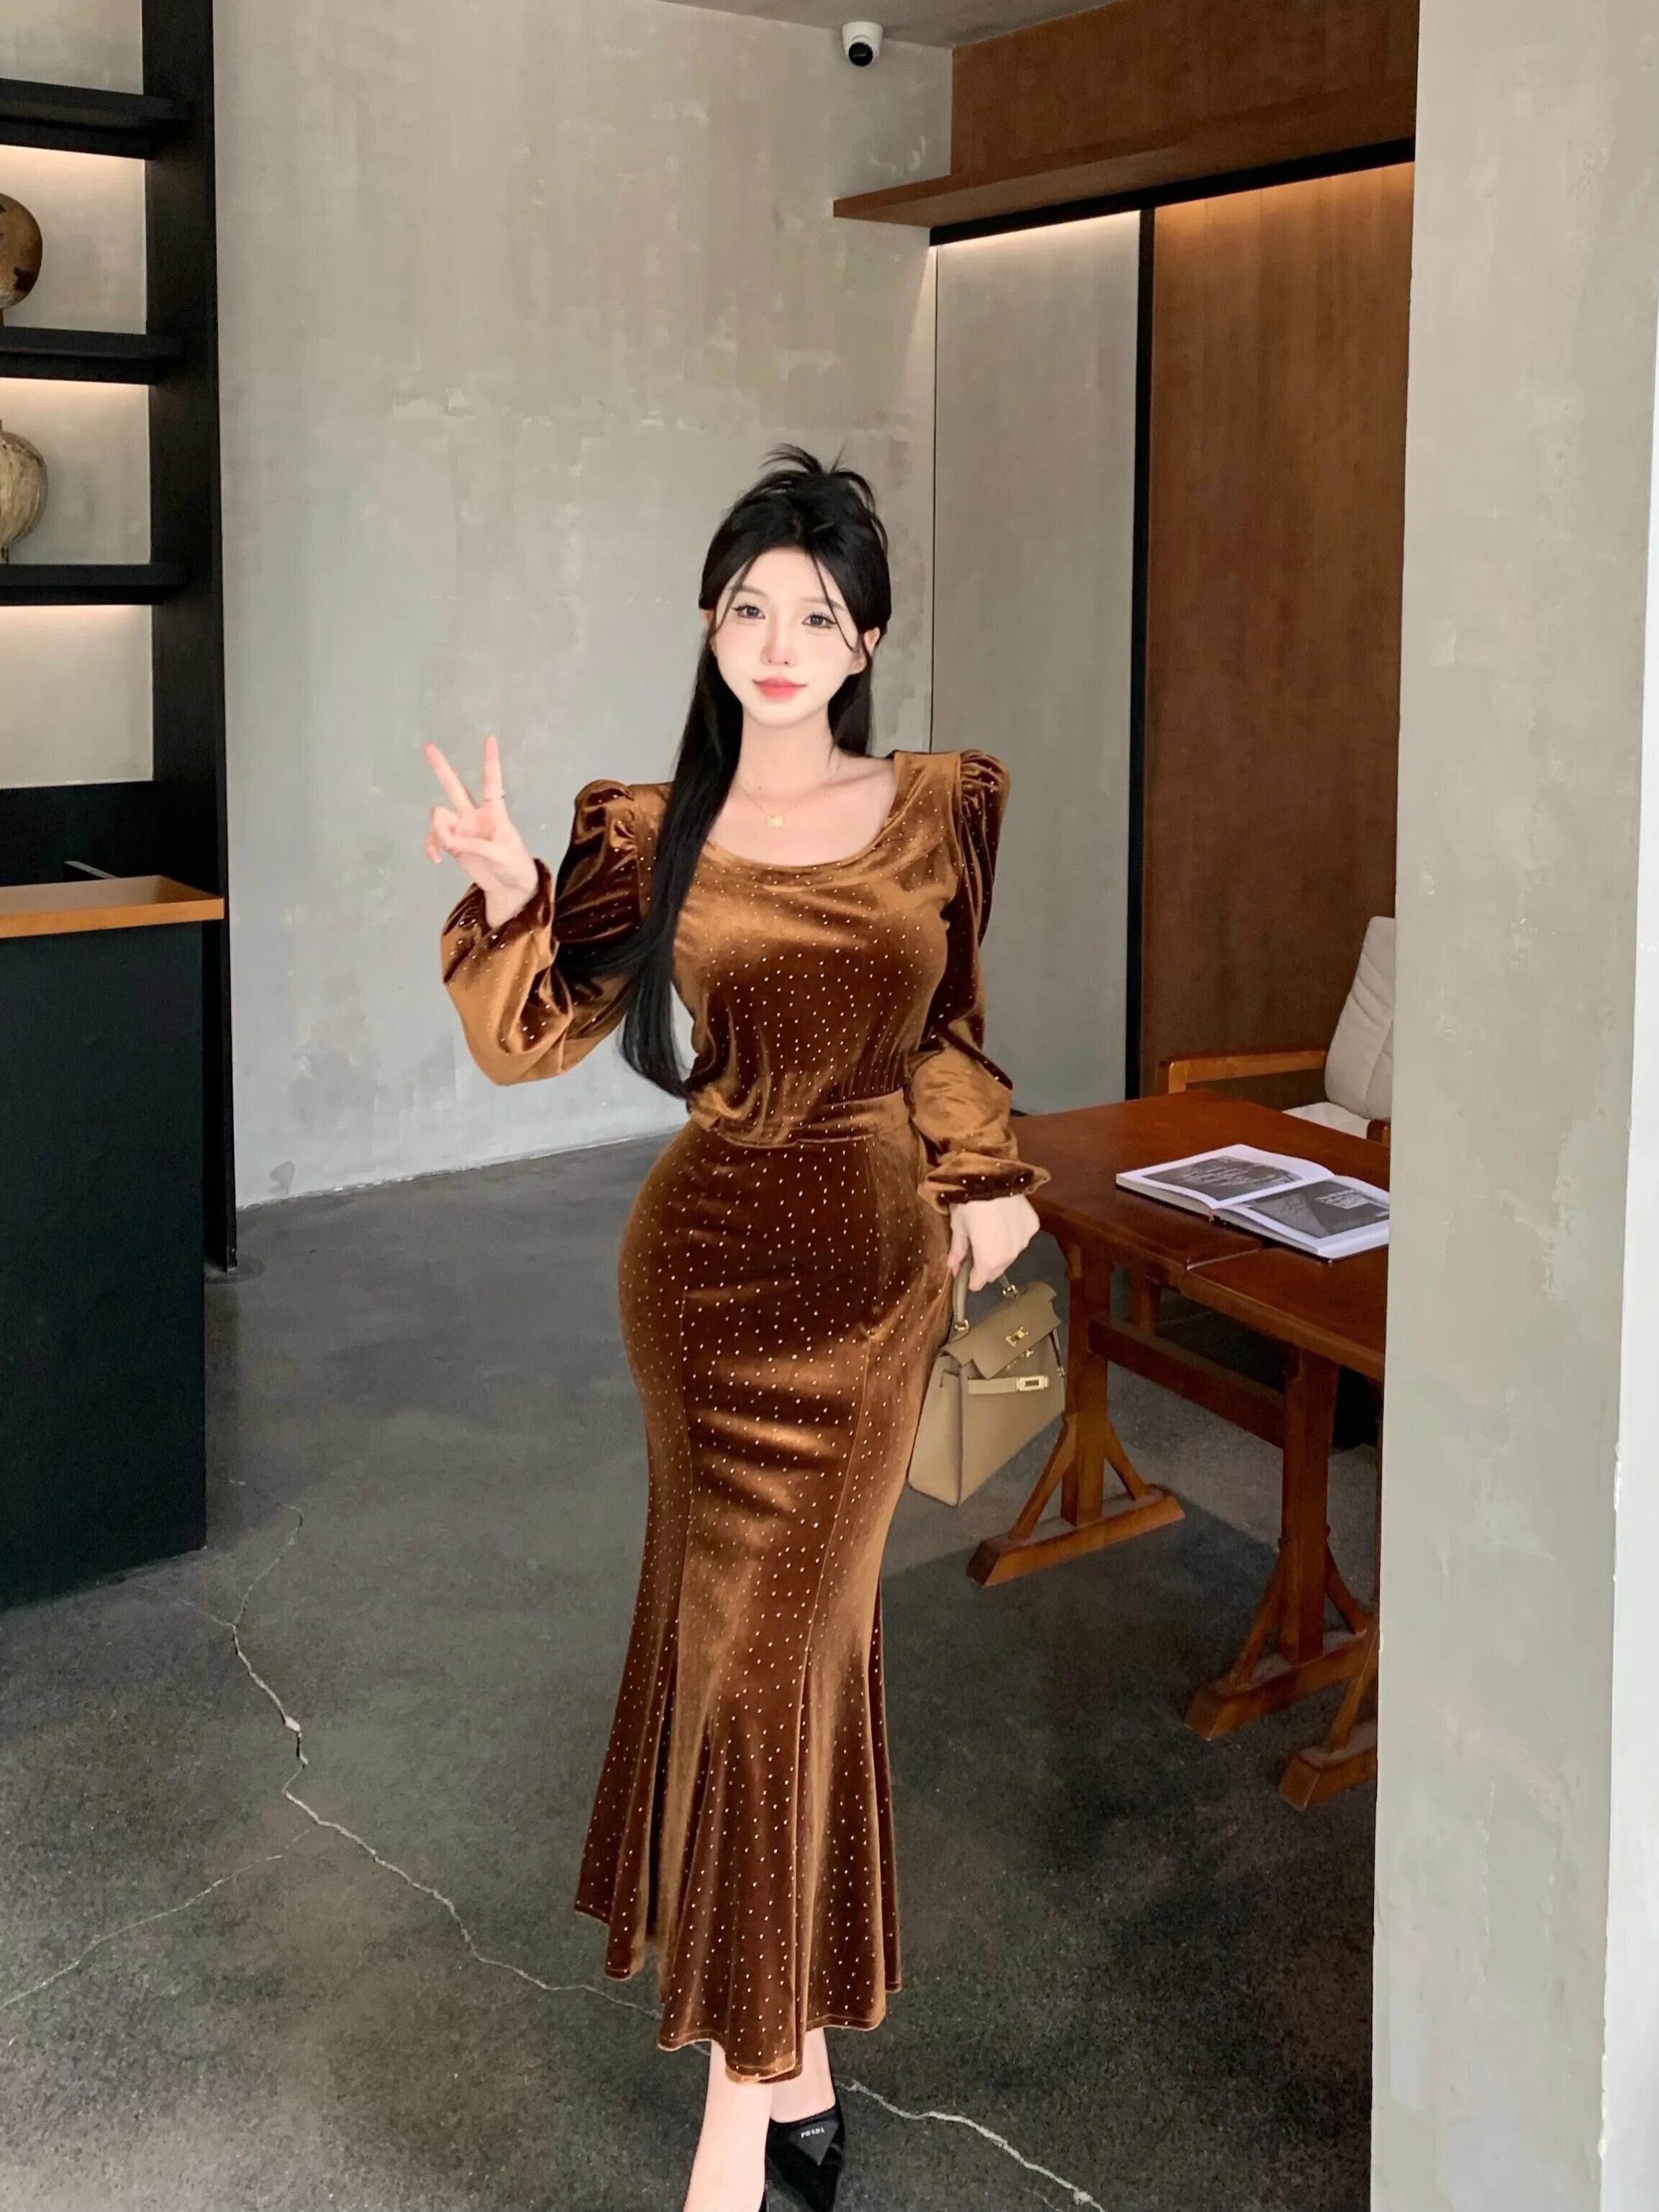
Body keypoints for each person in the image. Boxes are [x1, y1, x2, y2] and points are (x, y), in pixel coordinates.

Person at [424, 448, 1047, 2212]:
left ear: (866, 645)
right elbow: (528, 1035)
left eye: (819, 616)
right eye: (751, 607)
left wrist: (986, 1175)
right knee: (749, 1667)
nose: (780, 643)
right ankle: (769, 2101)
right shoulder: (645, 826)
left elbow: (947, 1028)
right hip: (699, 1281)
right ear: (711, 623)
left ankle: (757, 2105)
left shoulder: (939, 805)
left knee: (784, 1664)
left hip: (868, 1289)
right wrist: (512, 892)